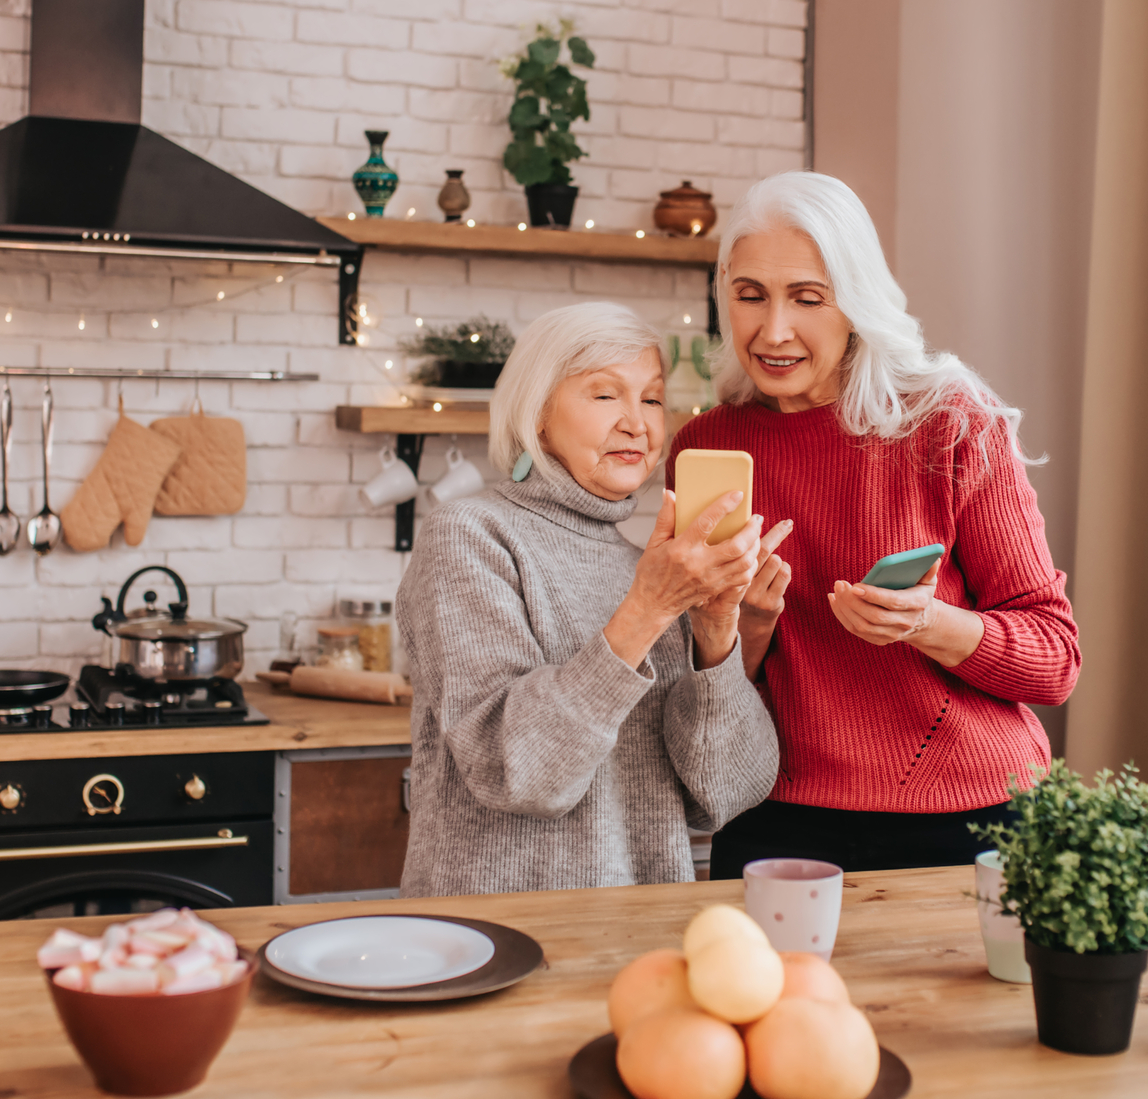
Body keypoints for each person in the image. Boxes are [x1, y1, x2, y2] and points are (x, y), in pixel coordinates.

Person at [671, 171, 1081, 878]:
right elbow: (697, 690)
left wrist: (926, 623)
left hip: (970, 815)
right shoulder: (704, 447)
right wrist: (749, 631)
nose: (773, 331)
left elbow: (1055, 658)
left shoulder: (950, 422)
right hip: (776, 813)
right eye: (750, 296)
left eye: (807, 298)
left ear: (856, 302)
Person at [398, 301, 781, 897]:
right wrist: (647, 611)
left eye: (652, 398)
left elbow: (725, 794)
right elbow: (514, 772)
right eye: (605, 395)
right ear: (539, 414)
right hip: (502, 939)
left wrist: (714, 631)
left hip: (642, 938)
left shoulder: (650, 565)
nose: (636, 423)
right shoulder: (471, 536)